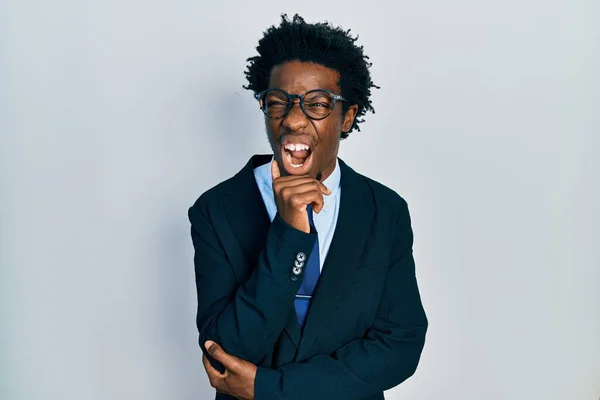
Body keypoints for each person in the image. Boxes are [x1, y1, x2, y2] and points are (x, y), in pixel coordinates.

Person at [188, 14, 428, 400]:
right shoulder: (216, 210)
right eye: (278, 102)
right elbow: (224, 354)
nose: (293, 121)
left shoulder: (385, 211)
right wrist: (288, 233)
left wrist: (273, 388)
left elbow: (400, 345)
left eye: (317, 104)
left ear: (347, 116)